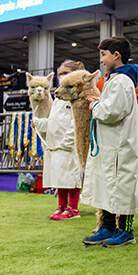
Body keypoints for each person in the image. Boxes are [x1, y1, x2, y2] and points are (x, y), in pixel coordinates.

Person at [80, 36, 138, 248]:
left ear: (116, 55)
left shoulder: (122, 81)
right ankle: (107, 227)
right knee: (107, 183)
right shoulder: (113, 79)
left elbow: (113, 111)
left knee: (122, 185)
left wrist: (95, 107)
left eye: (104, 55)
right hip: (110, 144)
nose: (102, 60)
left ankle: (126, 230)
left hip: (120, 145)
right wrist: (99, 102)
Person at [33, 59, 85, 220]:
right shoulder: (58, 97)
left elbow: (76, 121)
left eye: (65, 73)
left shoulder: (77, 96)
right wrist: (39, 123)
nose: (61, 76)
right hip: (56, 144)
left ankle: (73, 209)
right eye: (59, 74)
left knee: (71, 176)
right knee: (60, 176)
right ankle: (61, 206)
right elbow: (53, 121)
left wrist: (69, 141)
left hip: (68, 144)